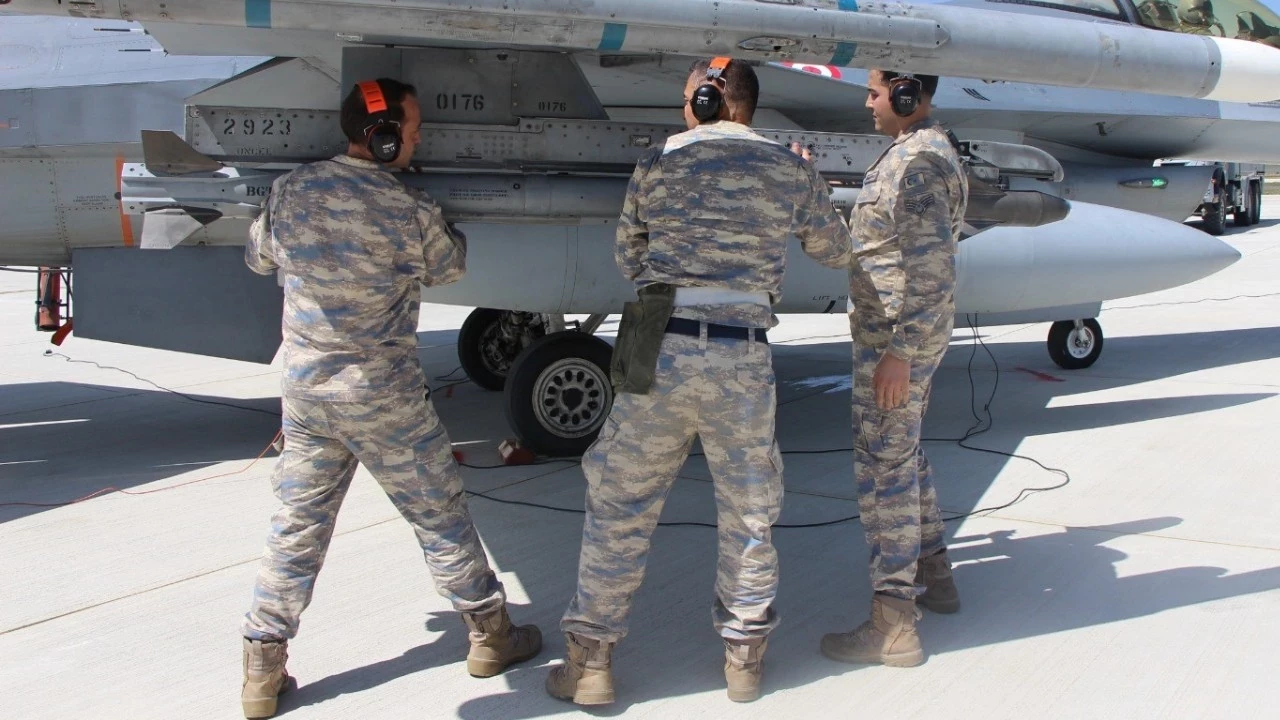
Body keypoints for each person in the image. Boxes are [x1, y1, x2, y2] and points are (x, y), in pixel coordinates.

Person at [545, 57, 852, 705]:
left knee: (619, 502)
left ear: (714, 101)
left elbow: (629, 257)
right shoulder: (786, 167)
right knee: (749, 511)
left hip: (658, 340)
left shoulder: (658, 162)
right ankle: (744, 660)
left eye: (691, 98)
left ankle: (591, 662)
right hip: (743, 354)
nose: (686, 109)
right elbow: (834, 250)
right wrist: (809, 182)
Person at [238, 78, 540, 719]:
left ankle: (262, 667)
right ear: (382, 137)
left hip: (309, 396)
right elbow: (450, 266)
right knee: (440, 518)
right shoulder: (407, 206)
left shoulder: (291, 191)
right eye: (413, 129)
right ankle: (490, 635)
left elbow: (259, 257)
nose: (418, 139)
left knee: (296, 529)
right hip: (385, 399)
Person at [818, 69, 968, 668]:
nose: (868, 102)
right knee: (901, 456)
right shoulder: (913, 153)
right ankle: (935, 573)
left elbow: (932, 274)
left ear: (908, 95)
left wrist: (900, 355)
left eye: (876, 92)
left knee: (885, 473)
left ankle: (894, 624)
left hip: (895, 345)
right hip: (894, 341)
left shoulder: (919, 165)